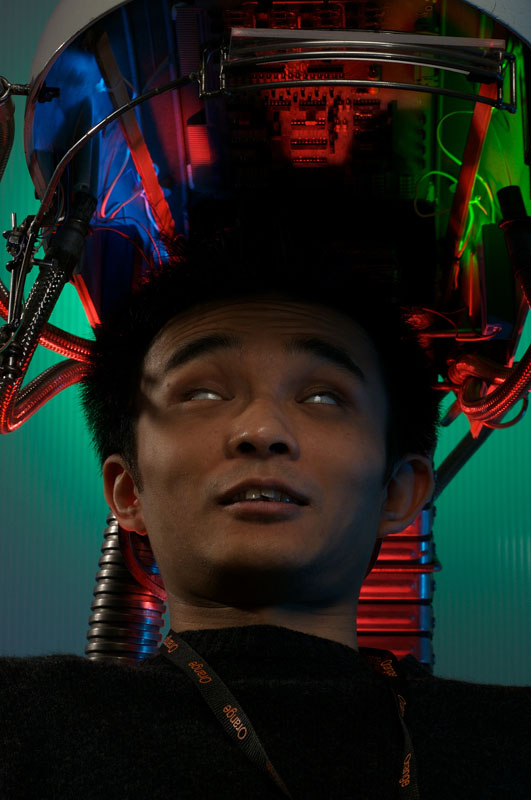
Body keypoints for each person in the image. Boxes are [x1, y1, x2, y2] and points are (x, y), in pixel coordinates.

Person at [1, 229, 530, 800]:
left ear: (399, 491)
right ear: (128, 491)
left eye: (323, 397)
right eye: (203, 394)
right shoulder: (19, 723)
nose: (262, 431)